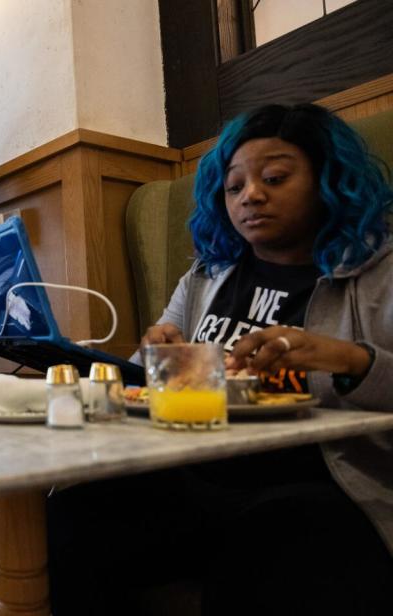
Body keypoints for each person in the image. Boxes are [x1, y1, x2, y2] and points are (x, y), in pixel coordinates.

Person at [48, 104, 393, 615]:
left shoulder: (378, 271)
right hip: (200, 474)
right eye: (235, 187)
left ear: (327, 181)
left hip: (322, 484)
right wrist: (158, 352)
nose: (251, 195)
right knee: (76, 507)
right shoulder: (209, 274)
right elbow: (168, 377)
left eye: (274, 177)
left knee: (276, 530)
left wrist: (348, 359)